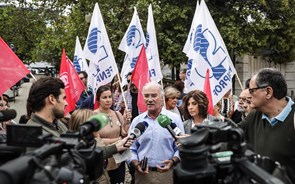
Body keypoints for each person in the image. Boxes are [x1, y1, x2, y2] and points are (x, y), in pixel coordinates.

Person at [239, 68, 295, 183]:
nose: (247, 96)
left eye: (251, 90)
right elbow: (230, 133)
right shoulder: (253, 117)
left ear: (268, 92)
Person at [128, 81, 184, 184]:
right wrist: (135, 163)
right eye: (146, 96)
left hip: (166, 175)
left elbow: (181, 146)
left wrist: (172, 161)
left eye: (154, 95)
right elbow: (131, 148)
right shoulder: (137, 121)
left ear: (162, 98)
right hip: (142, 175)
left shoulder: (174, 119)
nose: (149, 99)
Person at [68, 109, 134, 184]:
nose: (97, 127)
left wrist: (119, 146)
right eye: (93, 124)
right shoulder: (76, 149)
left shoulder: (95, 140)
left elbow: (105, 154)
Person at [93, 85, 131, 184]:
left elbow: (124, 134)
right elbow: (95, 140)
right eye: (104, 97)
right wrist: (116, 140)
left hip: (118, 160)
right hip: (103, 160)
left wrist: (126, 122)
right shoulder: (93, 116)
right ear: (98, 99)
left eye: (110, 97)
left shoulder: (117, 114)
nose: (108, 100)